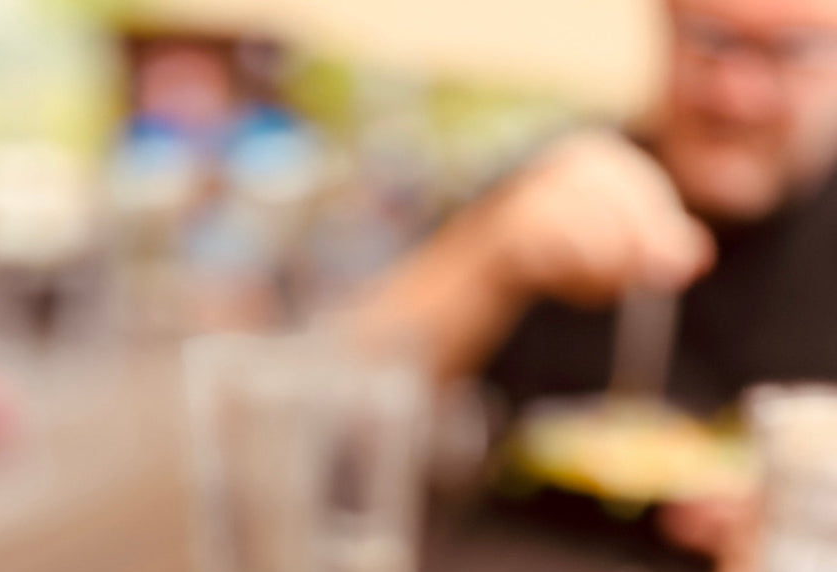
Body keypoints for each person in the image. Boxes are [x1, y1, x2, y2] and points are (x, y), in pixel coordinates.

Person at [357, 0, 837, 427]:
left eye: (795, 51)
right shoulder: (559, 181)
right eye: (709, 39)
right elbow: (341, 410)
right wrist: (488, 259)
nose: (737, 96)